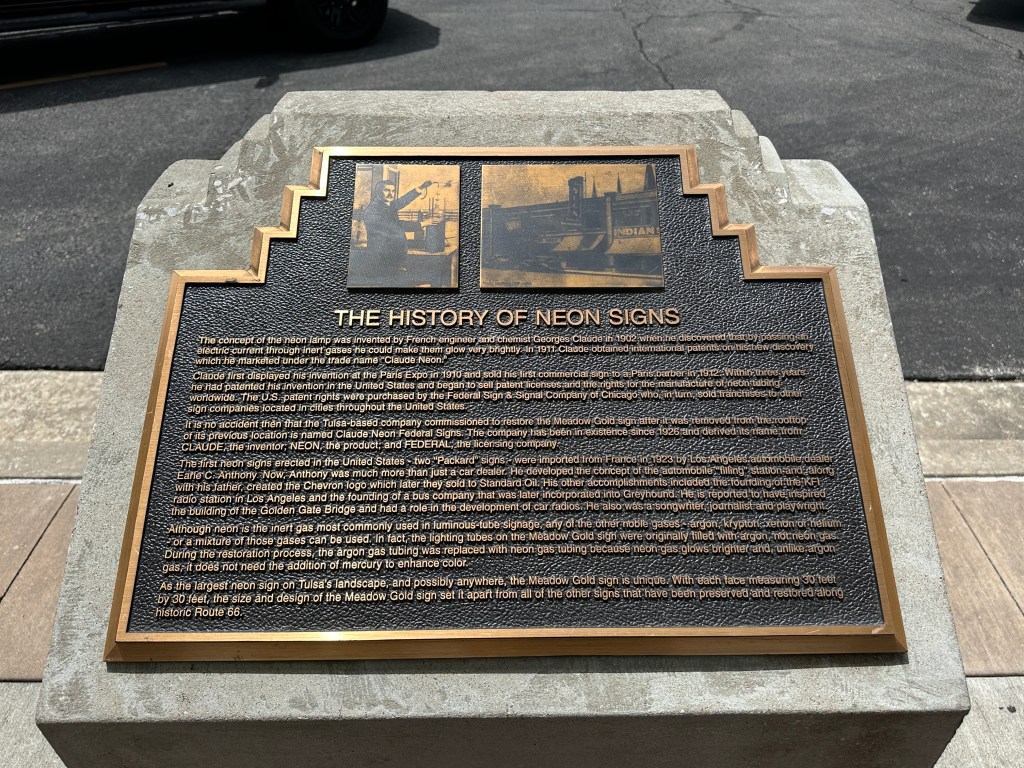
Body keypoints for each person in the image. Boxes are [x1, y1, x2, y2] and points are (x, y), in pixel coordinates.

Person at [358, 179, 432, 285]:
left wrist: (421, 187)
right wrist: (422, 224)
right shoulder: (372, 210)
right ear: (378, 192)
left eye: (393, 191)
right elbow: (395, 226)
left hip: (393, 257)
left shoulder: (388, 205)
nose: (390, 194)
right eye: (387, 190)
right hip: (381, 260)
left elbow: (403, 200)